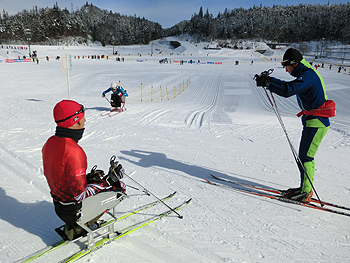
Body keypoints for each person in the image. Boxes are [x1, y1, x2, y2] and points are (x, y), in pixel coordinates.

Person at [255, 48, 332, 203]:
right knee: (303, 157)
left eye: (287, 66)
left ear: (294, 64)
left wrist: (269, 84)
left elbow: (287, 90)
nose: (286, 69)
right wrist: (269, 80)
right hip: (313, 121)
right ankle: (303, 188)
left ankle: (306, 192)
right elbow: (288, 85)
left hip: (317, 122)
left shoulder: (308, 76)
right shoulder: (305, 73)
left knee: (306, 157)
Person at [42, 100, 126, 240]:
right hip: (75, 211)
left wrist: (89, 179)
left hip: (60, 206)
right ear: (74, 121)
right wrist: (109, 181)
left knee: (99, 182)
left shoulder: (50, 142)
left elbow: (63, 177)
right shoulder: (74, 151)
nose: (85, 120)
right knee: (120, 188)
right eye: (82, 118)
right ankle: (80, 226)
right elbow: (79, 195)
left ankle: (74, 225)